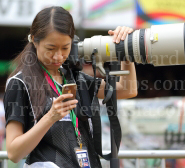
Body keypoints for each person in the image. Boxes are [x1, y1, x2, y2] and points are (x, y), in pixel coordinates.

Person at [3, 6, 137, 168]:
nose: (58, 56)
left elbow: (127, 90)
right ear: (34, 40)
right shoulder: (20, 83)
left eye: (65, 48)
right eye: (50, 49)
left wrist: (126, 50)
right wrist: (50, 117)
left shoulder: (75, 78)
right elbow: (14, 153)